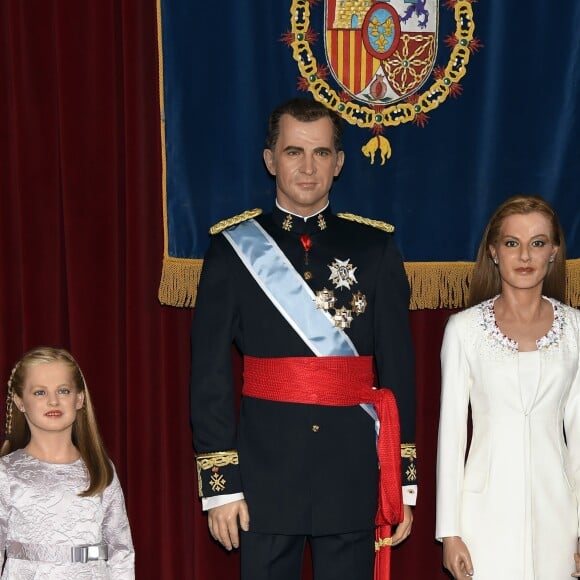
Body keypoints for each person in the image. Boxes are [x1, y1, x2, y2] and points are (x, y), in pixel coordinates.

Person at [189, 97, 417, 580]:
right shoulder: (232, 250)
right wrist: (221, 487)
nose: (308, 168)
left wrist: (401, 485)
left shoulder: (375, 249)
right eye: (294, 152)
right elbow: (209, 376)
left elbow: (399, 372)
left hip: (353, 472)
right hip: (264, 476)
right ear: (271, 160)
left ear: (339, 163)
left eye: (320, 153)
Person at [435, 194, 580, 579]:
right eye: (512, 243)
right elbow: (451, 438)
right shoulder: (463, 330)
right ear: (494, 252)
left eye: (538, 243)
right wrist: (450, 532)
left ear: (554, 252)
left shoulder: (576, 328)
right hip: (483, 517)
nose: (525, 256)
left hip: (558, 515)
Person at [0, 346, 135, 578]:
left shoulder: (100, 470)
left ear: (79, 399)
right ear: (20, 402)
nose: (53, 401)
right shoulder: (6, 473)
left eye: (63, 391)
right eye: (40, 393)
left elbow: (120, 551)